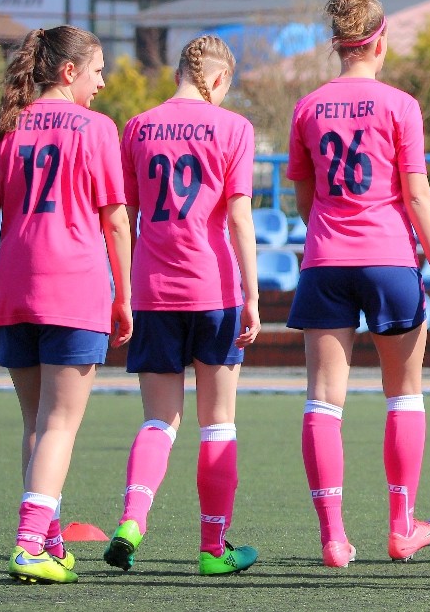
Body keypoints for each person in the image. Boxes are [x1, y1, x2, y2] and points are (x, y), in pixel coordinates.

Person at [0, 25, 133, 584]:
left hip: (15, 291)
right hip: (74, 290)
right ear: (69, 71)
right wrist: (125, 296)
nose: (102, 83)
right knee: (59, 425)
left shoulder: (1, 128)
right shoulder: (97, 129)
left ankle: (50, 541)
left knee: (36, 423)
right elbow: (116, 222)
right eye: (97, 70)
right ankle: (29, 544)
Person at [286, 0, 430, 569]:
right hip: (388, 259)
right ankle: (402, 528)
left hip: (326, 260)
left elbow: (304, 198)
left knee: (323, 400)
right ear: (380, 41)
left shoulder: (308, 107)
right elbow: (417, 194)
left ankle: (333, 538)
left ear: (338, 43)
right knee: (403, 393)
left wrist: (333, 228)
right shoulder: (401, 106)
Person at [101, 34, 260, 576]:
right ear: (218, 79)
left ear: (178, 76)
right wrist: (252, 295)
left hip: (153, 291)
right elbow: (238, 217)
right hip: (214, 290)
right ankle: (213, 550)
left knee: (158, 421)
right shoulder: (234, 128)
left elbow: (124, 216)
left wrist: (122, 291)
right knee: (217, 425)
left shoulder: (138, 127)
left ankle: (131, 522)